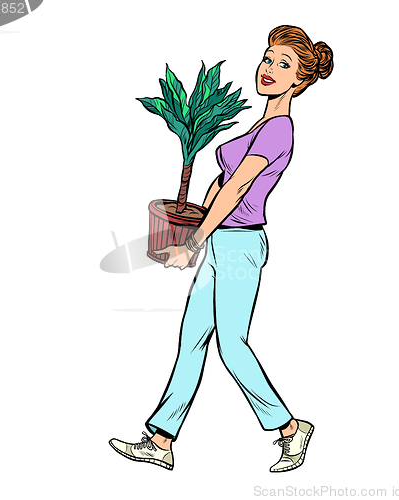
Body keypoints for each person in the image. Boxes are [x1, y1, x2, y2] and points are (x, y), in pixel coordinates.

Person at [109, 25, 333, 472]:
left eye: (282, 65)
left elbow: (235, 191)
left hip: (240, 246)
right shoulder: (263, 125)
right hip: (220, 242)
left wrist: (193, 239)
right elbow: (219, 184)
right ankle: (161, 440)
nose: (268, 69)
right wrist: (195, 237)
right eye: (267, 59)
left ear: (300, 81)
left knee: (232, 344)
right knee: (192, 340)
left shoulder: (278, 132)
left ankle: (290, 428)